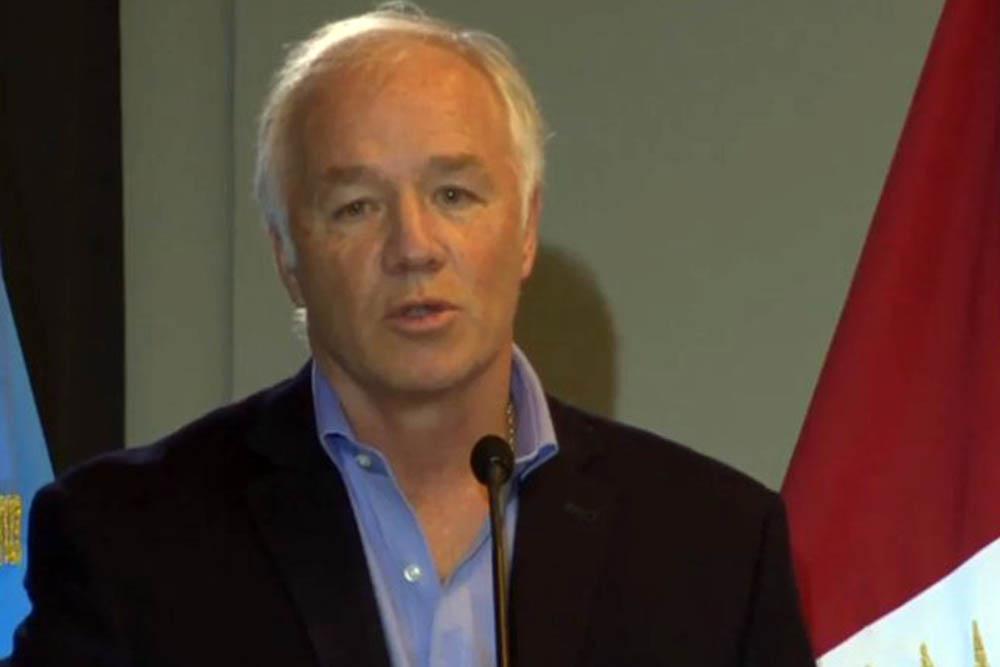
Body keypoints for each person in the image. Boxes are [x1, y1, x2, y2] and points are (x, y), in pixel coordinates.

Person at [6, 6, 814, 666]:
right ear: (287, 257)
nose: (414, 246)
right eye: (356, 206)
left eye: (455, 194)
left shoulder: (716, 546)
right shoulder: (125, 541)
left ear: (526, 229)